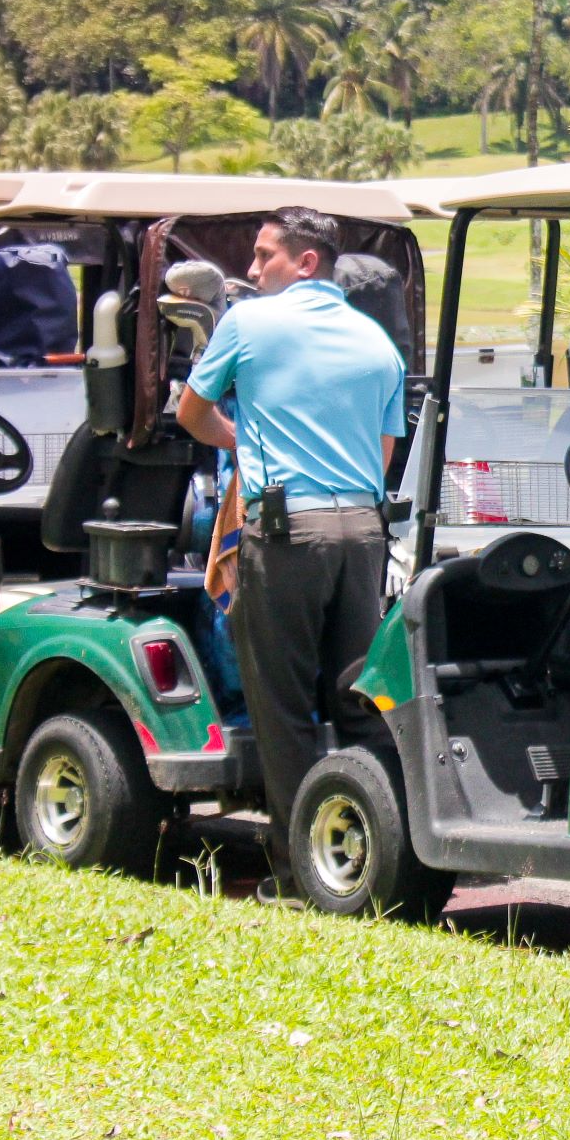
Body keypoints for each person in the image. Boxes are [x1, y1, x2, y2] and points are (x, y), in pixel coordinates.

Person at [177, 208, 407, 906]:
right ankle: (376, 857)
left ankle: (295, 871)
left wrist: (242, 443)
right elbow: (385, 452)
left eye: (264, 255)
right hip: (363, 534)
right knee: (360, 699)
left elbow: (191, 412)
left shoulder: (244, 326)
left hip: (287, 533)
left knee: (282, 708)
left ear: (306, 263)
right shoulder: (379, 343)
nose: (252, 270)